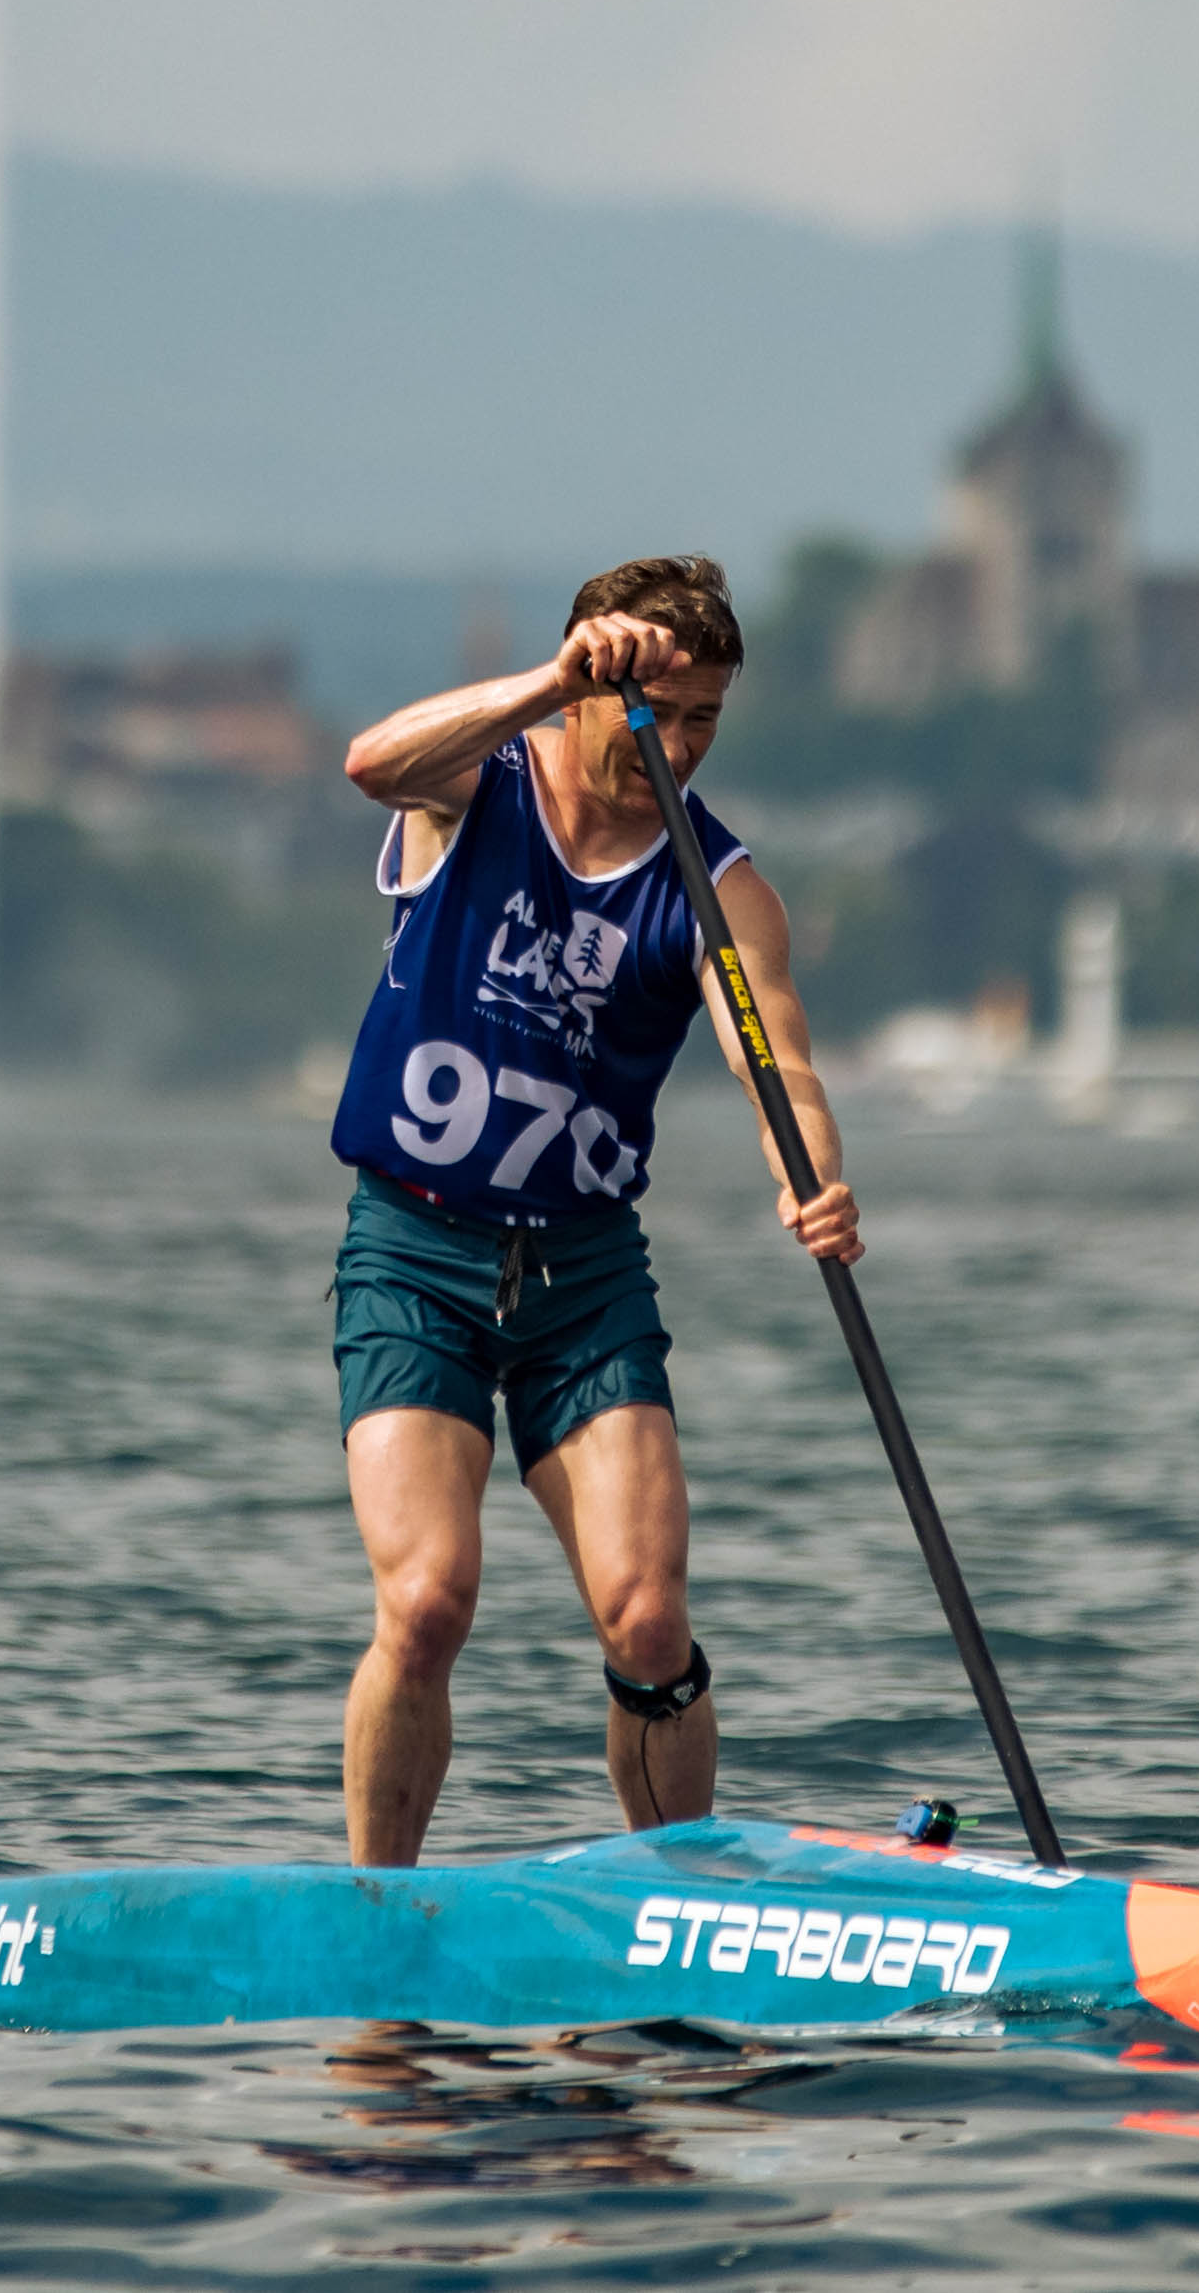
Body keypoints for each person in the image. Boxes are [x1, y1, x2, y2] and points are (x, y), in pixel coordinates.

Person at [321, 552, 855, 1866]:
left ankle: (679, 1898)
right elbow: (371, 764)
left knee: (647, 1622)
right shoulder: (476, 788)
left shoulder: (717, 887)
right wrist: (551, 681)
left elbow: (774, 1058)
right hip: (416, 1255)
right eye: (656, 712)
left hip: (585, 1277)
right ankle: (375, 1907)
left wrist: (814, 1178)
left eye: (705, 719)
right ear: (587, 691)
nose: (681, 745)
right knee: (429, 1601)